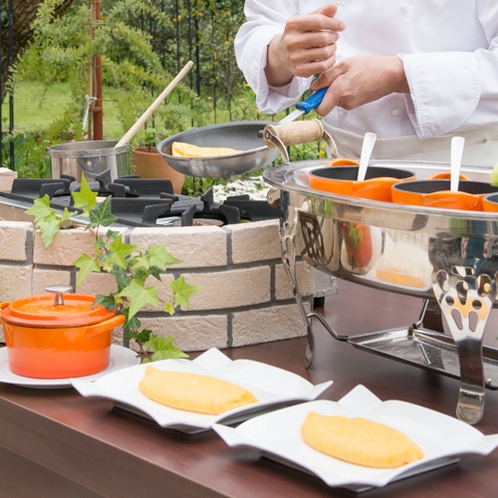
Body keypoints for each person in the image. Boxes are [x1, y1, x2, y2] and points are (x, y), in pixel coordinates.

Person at [235, 1, 498, 165]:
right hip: (345, 169)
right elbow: (262, 25)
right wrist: (281, 53)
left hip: (464, 169)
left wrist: (399, 73)